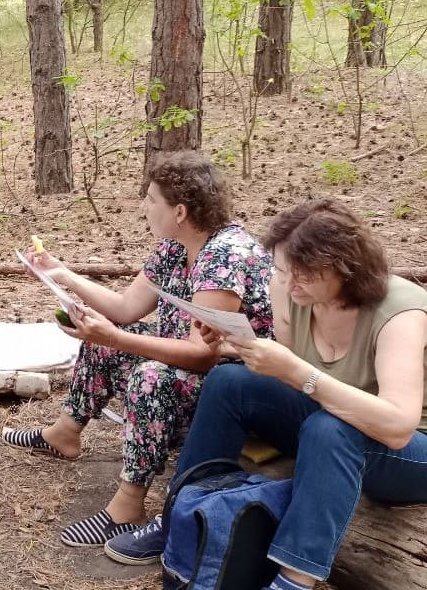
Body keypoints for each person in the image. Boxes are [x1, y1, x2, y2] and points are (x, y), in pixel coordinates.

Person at [105, 198, 427, 590]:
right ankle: (180, 517)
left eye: (303, 276)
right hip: (326, 419)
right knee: (229, 382)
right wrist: (231, 345)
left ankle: (293, 580)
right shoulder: (289, 289)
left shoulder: (399, 312)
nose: (290, 285)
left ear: (345, 268)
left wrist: (299, 373)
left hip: (405, 451)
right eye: (282, 271)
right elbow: (289, 375)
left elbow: (397, 426)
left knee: (330, 428)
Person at [0, 152, 274, 547]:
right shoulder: (176, 246)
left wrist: (113, 337)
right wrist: (61, 274)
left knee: (150, 375)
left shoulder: (224, 256)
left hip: (240, 387)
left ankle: (128, 506)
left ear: (179, 211)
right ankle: (64, 434)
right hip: (200, 367)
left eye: (151, 199)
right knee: (112, 337)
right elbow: (127, 307)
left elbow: (203, 354)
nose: (144, 206)